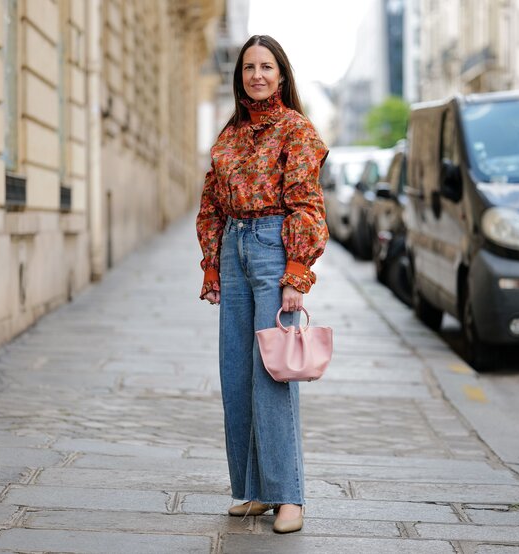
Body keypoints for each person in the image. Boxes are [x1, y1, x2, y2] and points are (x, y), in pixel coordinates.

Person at [196, 34, 329, 534]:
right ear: (240, 77)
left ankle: (288, 496)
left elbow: (308, 204)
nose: (257, 75)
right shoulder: (229, 134)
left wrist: (297, 272)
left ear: (281, 74)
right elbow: (211, 202)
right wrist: (212, 262)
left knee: (275, 372)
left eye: (266, 66)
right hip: (233, 248)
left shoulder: (296, 130)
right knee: (237, 372)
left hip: (275, 246)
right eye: (249, 67)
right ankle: (252, 490)